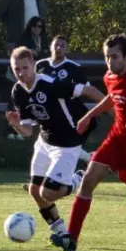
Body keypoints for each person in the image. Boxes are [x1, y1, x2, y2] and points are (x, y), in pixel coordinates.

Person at [50, 34, 126, 251]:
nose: (110, 62)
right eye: (107, 57)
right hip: (116, 140)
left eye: (114, 57)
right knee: (88, 180)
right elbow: (111, 97)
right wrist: (89, 115)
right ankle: (71, 239)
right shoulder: (109, 76)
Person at [6, 47, 106, 241]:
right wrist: (15, 124)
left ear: (34, 66)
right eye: (16, 69)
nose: (21, 73)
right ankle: (59, 231)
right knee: (35, 190)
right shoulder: (18, 90)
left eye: (25, 68)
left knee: (48, 194)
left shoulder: (50, 84)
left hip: (67, 143)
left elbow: (89, 90)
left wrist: (114, 110)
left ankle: (78, 179)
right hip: (44, 141)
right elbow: (28, 131)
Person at [20, 35, 98, 192]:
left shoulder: (74, 68)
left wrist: (98, 111)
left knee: (65, 146)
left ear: (67, 48)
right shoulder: (41, 65)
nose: (59, 48)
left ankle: (73, 179)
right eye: (56, 45)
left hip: (71, 116)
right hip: (48, 115)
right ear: (51, 46)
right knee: (48, 144)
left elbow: (88, 91)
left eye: (63, 45)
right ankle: (39, 181)